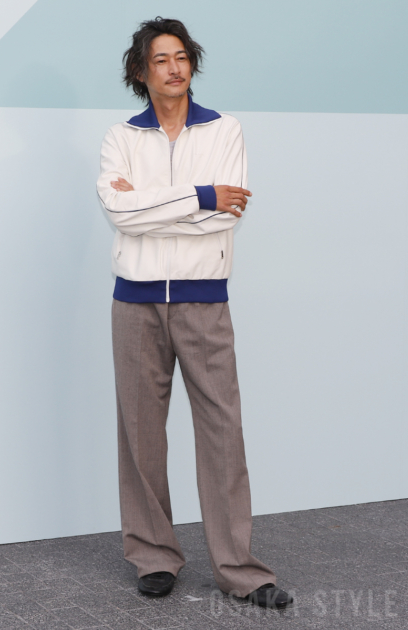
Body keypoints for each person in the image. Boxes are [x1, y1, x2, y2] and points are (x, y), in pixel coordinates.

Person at [97, 17, 293, 610]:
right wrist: (200, 196)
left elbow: (225, 215)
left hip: (204, 299)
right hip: (134, 302)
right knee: (140, 435)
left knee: (222, 433)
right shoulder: (120, 138)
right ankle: (153, 557)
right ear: (141, 72)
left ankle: (240, 570)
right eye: (161, 59)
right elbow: (120, 214)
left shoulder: (224, 130)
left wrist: (155, 208)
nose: (174, 68)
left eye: (181, 57)